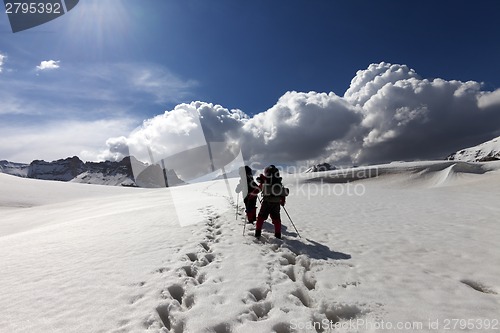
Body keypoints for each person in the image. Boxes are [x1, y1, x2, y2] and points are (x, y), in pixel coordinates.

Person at [255, 165, 287, 239]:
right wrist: (282, 201)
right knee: (276, 219)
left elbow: (257, 190)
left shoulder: (264, 181)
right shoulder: (278, 182)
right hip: (276, 203)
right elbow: (282, 193)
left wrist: (251, 195)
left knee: (261, 218)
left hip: (266, 202)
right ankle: (278, 235)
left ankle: (257, 233)